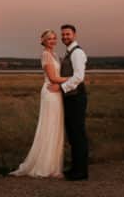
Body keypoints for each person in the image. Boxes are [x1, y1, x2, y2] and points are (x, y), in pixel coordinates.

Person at [10, 29, 70, 178]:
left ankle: (53, 166)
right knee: (49, 126)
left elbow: (58, 77)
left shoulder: (55, 54)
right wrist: (74, 78)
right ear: (43, 41)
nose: (53, 41)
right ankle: (44, 166)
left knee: (56, 126)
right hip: (50, 93)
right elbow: (53, 78)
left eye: (54, 38)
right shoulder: (45, 55)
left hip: (57, 93)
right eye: (49, 39)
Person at [48, 24, 89, 180]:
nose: (65, 37)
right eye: (63, 35)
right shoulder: (69, 52)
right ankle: (75, 168)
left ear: (74, 35)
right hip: (71, 97)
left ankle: (81, 172)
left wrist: (61, 87)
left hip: (77, 97)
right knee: (72, 133)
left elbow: (79, 77)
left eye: (68, 34)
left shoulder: (77, 53)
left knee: (78, 133)